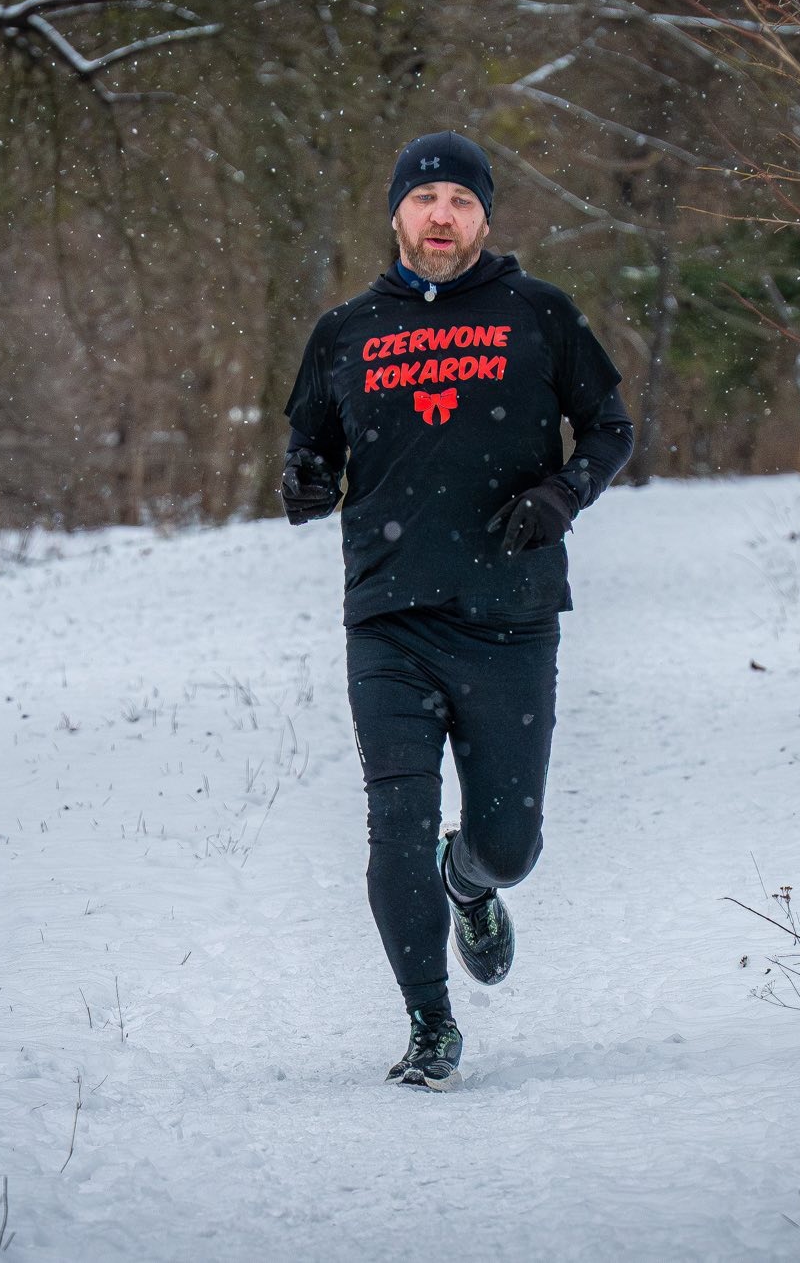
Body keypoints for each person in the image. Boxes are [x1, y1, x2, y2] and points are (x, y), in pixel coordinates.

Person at [280, 130, 634, 1091]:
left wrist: (563, 494)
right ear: (396, 212)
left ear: (485, 218)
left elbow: (610, 427)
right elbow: (310, 451)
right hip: (388, 618)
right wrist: (304, 482)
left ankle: (469, 879)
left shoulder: (539, 313)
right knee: (394, 822)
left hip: (510, 614)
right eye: (426, 198)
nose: (443, 215)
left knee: (510, 845)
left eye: (462, 201)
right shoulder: (344, 331)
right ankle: (429, 1021)